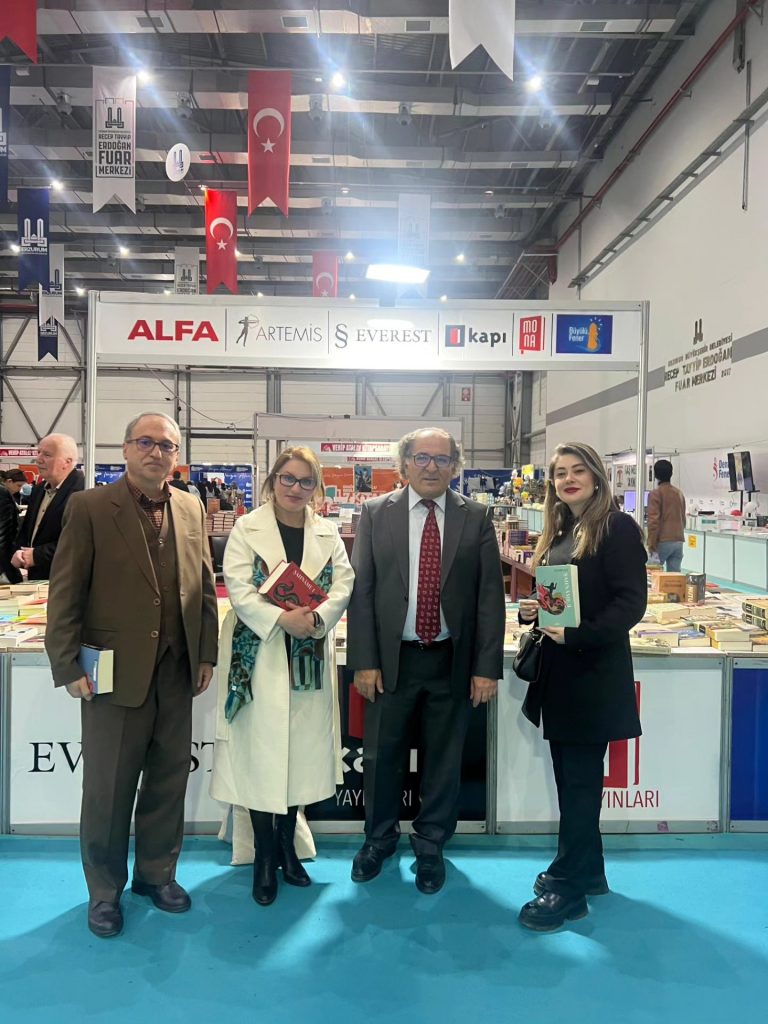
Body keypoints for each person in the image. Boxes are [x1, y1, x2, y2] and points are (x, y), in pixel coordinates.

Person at [45, 412, 218, 939]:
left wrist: (205, 652)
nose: (156, 452)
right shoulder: (90, 507)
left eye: (167, 445)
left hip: (176, 669)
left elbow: (203, 584)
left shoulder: (190, 507)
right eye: (145, 442)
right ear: (125, 449)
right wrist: (67, 663)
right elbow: (66, 589)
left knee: (168, 780)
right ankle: (104, 890)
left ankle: (156, 875)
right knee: (109, 788)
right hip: (112, 673)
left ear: (176, 456)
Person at [347, 427, 505, 895]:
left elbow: (489, 597)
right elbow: (362, 590)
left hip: (451, 660)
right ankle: (378, 840)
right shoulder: (376, 513)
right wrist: (364, 660)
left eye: (441, 459)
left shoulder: (476, 517)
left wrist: (486, 667)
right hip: (391, 660)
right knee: (381, 757)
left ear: (455, 465)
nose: (431, 467)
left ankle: (431, 844)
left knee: (444, 759)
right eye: (422, 457)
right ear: (405, 464)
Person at [211, 446, 354, 905]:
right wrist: (280, 619)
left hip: (308, 650)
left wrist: (316, 619)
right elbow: (238, 587)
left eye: (305, 481)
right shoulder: (246, 528)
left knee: (300, 755)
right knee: (260, 755)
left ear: (317, 488)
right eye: (287, 478)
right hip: (259, 653)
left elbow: (344, 583)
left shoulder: (327, 532)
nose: (295, 488)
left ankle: (289, 847)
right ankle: (263, 855)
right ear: (273, 480)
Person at [517, 441, 647, 932]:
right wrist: (536, 608)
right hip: (561, 674)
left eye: (578, 471)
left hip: (592, 674)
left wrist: (578, 635)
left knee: (578, 783)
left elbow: (630, 603)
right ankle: (588, 871)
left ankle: (568, 889)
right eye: (559, 473)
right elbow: (564, 597)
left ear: (596, 476)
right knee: (573, 780)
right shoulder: (562, 530)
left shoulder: (616, 527)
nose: (568, 479)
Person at [12, 433, 84, 580]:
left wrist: (37, 556)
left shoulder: (83, 492)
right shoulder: (39, 490)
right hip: (37, 579)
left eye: (47, 454)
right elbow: (27, 531)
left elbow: (80, 541)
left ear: (67, 462)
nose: (38, 459)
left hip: (67, 580)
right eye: (38, 452)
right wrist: (20, 552)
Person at [647, 459, 686, 572]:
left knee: (653, 574)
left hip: (662, 541)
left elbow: (653, 521)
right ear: (671, 473)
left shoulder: (655, 494)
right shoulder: (679, 493)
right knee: (674, 578)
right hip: (678, 540)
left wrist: (651, 543)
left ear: (655, 475)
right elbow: (683, 518)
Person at [0, 469, 27, 583]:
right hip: (4, 554)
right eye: (18, 485)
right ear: (9, 481)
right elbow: (3, 531)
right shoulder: (3, 494)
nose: (19, 489)